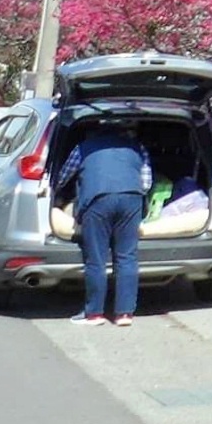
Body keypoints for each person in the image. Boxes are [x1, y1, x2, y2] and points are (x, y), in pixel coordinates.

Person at [56, 120, 152, 327]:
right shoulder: (137, 147)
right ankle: (125, 314)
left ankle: (94, 314)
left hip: (96, 200)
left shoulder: (84, 147)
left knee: (96, 258)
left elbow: (64, 176)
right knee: (127, 256)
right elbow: (146, 182)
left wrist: (56, 192)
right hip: (131, 199)